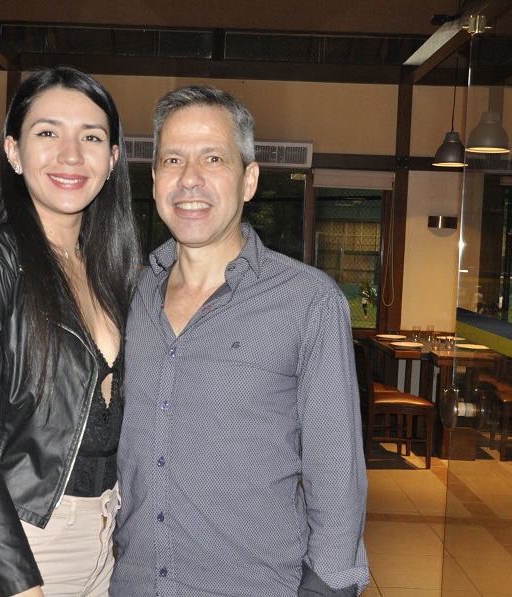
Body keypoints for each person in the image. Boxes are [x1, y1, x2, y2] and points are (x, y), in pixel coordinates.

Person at [111, 86, 369, 597]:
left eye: (213, 158)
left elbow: (336, 472)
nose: (190, 178)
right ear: (155, 179)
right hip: (134, 583)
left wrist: (329, 586)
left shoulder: (308, 301)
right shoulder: (128, 297)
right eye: (172, 160)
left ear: (249, 179)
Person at [0, 66, 140, 597]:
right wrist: (19, 583)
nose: (71, 154)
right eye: (47, 132)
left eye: (92, 137)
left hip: (103, 546)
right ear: (13, 151)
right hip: (15, 548)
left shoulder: (113, 274)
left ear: (112, 160)